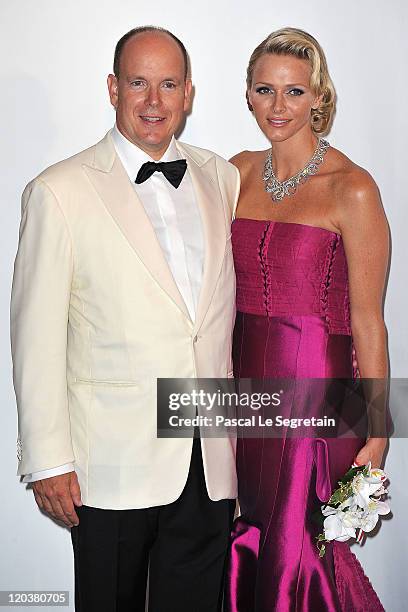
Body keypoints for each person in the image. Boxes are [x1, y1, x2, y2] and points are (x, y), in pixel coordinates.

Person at [11, 26, 240, 612]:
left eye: (168, 85)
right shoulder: (59, 190)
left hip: (207, 463)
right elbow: (34, 335)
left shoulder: (221, 177)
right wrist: (48, 460)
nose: (153, 102)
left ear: (189, 93)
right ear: (113, 88)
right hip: (106, 466)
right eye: (138, 83)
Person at [226, 27, 388, 611]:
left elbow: (369, 321)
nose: (278, 107)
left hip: (315, 392)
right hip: (240, 387)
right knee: (243, 532)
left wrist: (378, 431)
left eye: (294, 93)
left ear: (318, 96)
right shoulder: (235, 173)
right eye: (265, 90)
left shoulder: (354, 189)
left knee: (296, 541)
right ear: (247, 94)